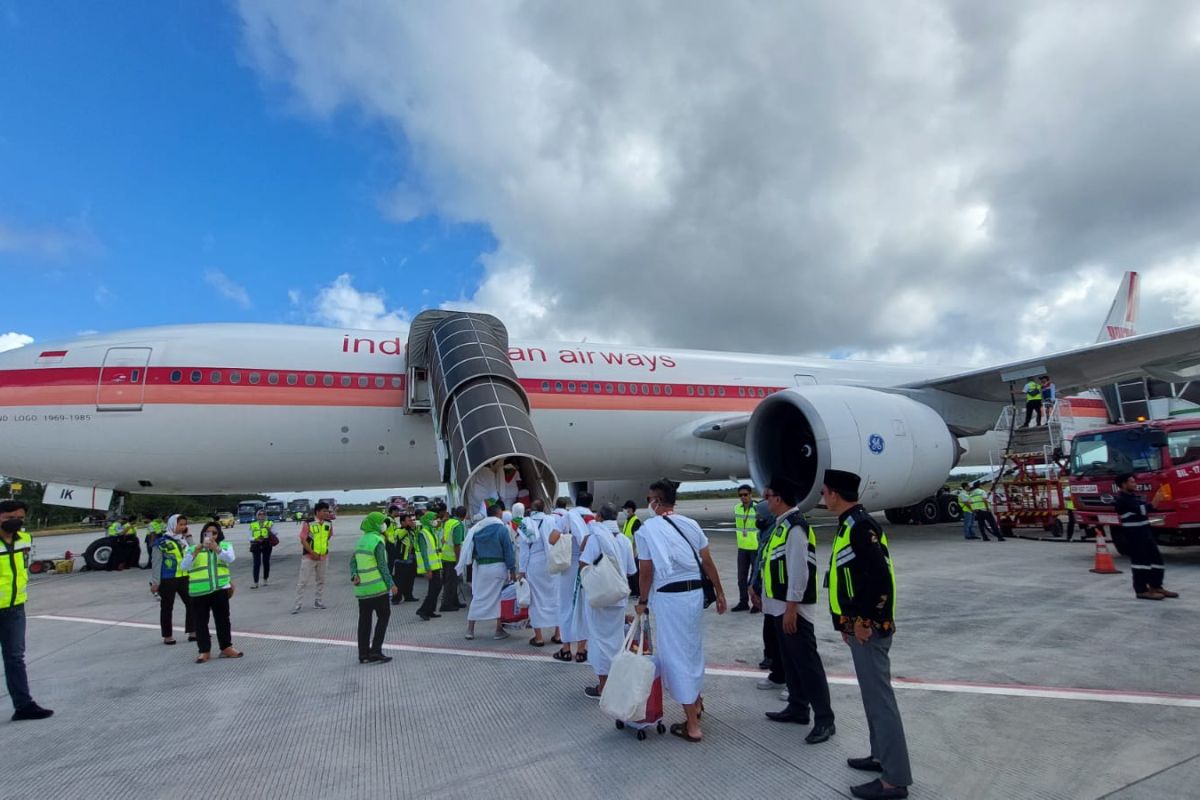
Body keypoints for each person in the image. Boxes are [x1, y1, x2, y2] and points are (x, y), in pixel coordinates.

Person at [822, 469, 912, 799]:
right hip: (859, 627)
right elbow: (850, 578)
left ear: (834, 493)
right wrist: (846, 623)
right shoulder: (851, 523)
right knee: (872, 700)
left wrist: (864, 622)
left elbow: (879, 579)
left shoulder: (860, 527)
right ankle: (880, 756)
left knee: (881, 702)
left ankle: (894, 779)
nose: (823, 497)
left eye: (825, 492)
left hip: (870, 630)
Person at [634, 478, 727, 743]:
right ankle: (696, 703)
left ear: (657, 501)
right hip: (694, 594)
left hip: (670, 597)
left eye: (649, 499)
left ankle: (693, 725)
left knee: (675, 656)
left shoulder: (646, 530)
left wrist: (642, 600)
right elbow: (707, 561)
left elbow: (646, 570)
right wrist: (719, 592)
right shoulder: (691, 524)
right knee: (691, 649)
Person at [753, 481, 836, 744]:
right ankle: (798, 707)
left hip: (793, 609)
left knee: (807, 663)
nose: (764, 501)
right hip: (778, 606)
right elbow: (772, 564)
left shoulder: (795, 528)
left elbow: (799, 571)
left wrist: (791, 607)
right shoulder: (780, 525)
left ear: (779, 499)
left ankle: (825, 719)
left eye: (768, 496)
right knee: (790, 661)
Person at [0, 500, 53, 721]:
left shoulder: (25, 539)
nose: (16, 521)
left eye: (20, 517)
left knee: (15, 658)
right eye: (10, 517)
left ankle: (23, 706)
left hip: (15, 608)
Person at [579, 504, 637, 699]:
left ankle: (603, 687)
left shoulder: (595, 537)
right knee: (616, 641)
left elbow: (583, 563)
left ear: (599, 517)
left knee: (598, 640)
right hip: (619, 597)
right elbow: (631, 570)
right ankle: (617, 684)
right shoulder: (623, 540)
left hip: (600, 596)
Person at [181, 521, 242, 663]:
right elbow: (184, 566)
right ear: (203, 534)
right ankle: (204, 650)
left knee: (223, 620)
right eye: (207, 533)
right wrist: (195, 552)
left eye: (214, 533)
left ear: (219, 534)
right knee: (201, 622)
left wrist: (217, 549)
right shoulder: (192, 548)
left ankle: (226, 647)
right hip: (199, 591)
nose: (211, 535)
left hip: (219, 589)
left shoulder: (225, 546)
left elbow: (230, 559)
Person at [1115, 473, 1179, 600]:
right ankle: (1141, 590)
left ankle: (1156, 586)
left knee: (1156, 560)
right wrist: (1157, 498)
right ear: (1123, 484)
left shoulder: (1133, 497)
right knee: (1141, 563)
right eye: (1132, 482)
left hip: (1145, 534)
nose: (1135, 484)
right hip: (1135, 536)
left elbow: (1147, 509)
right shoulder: (1122, 500)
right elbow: (1146, 508)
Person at [459, 502, 516, 640]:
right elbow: (508, 551)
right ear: (499, 513)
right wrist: (512, 569)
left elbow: (472, 550)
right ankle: (498, 630)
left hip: (481, 568)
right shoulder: (502, 529)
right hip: (498, 567)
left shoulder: (477, 529)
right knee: (498, 598)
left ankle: (470, 630)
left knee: (478, 597)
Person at [550, 492, 595, 663]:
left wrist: (567, 538)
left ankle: (566, 648)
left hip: (570, 565)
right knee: (584, 607)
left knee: (566, 606)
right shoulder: (594, 518)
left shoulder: (569, 515)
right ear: (590, 503)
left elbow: (552, 538)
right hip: (588, 565)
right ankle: (582, 650)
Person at [351, 511, 398, 663]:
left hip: (362, 589)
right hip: (377, 588)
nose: (384, 525)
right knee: (384, 616)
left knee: (364, 621)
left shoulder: (361, 541)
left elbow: (353, 562)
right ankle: (376, 650)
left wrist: (354, 575)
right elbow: (382, 565)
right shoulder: (377, 541)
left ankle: (363, 654)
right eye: (382, 522)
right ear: (375, 524)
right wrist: (391, 584)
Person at [517, 499, 560, 646]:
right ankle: (558, 635)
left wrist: (522, 571)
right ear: (543, 509)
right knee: (555, 597)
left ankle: (539, 637)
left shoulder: (524, 523)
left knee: (535, 599)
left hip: (534, 563)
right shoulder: (551, 520)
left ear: (531, 509)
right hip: (551, 561)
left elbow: (523, 550)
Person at [149, 514, 194, 645]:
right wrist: (155, 582)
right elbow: (156, 563)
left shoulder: (184, 540)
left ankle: (192, 631)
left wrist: (189, 536)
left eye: (185, 524)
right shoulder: (161, 542)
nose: (183, 527)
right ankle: (167, 635)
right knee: (167, 607)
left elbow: (194, 551)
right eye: (180, 524)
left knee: (191, 603)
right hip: (168, 578)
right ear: (173, 524)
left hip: (184, 576)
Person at [292, 501, 333, 614]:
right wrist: (312, 552)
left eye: (327, 511)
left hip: (323, 557)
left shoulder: (328, 523)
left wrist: (321, 550)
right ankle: (297, 604)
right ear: (317, 511)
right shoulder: (308, 523)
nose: (327, 513)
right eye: (324, 511)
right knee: (303, 581)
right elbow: (303, 539)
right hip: (309, 557)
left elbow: (328, 537)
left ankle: (318, 601)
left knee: (321, 580)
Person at [731, 485, 758, 612]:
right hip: (742, 547)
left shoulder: (758, 508)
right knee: (741, 577)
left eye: (745, 494)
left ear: (751, 494)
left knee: (755, 577)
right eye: (740, 495)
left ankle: (757, 603)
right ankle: (743, 602)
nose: (743, 497)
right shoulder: (737, 508)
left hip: (755, 547)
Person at [414, 513, 444, 621]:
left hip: (436, 565)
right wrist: (428, 569)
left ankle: (430, 610)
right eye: (433, 519)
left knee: (437, 587)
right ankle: (423, 610)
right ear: (427, 520)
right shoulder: (423, 534)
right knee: (433, 589)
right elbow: (424, 553)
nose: (435, 520)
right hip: (430, 567)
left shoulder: (432, 531)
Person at [439, 506, 467, 612]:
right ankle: (446, 605)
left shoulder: (449, 522)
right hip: (451, 558)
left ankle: (454, 602)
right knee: (450, 582)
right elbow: (457, 544)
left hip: (445, 556)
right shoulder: (458, 525)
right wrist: (458, 560)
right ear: (464, 515)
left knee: (452, 581)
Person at [392, 511, 420, 604]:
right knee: (399, 581)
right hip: (401, 560)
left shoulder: (411, 531)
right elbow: (399, 537)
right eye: (408, 521)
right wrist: (408, 527)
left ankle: (409, 596)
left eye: (410, 520)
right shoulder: (398, 531)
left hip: (411, 559)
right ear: (402, 522)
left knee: (410, 579)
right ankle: (396, 598)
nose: (410, 522)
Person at [621, 500, 642, 598]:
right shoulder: (627, 520)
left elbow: (636, 538)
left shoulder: (635, 521)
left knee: (634, 572)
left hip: (633, 551)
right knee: (629, 572)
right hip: (627, 550)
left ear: (630, 509)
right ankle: (632, 590)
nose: (624, 510)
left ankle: (636, 592)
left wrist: (634, 551)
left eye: (625, 508)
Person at [248, 509, 275, 589]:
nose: (262, 516)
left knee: (266, 562)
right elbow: (249, 537)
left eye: (263, 514)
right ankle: (255, 582)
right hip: (256, 544)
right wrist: (255, 539)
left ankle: (265, 579)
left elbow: (275, 533)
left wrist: (269, 530)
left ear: (266, 516)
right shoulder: (253, 524)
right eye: (260, 514)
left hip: (266, 543)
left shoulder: (270, 523)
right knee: (256, 563)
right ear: (257, 516)